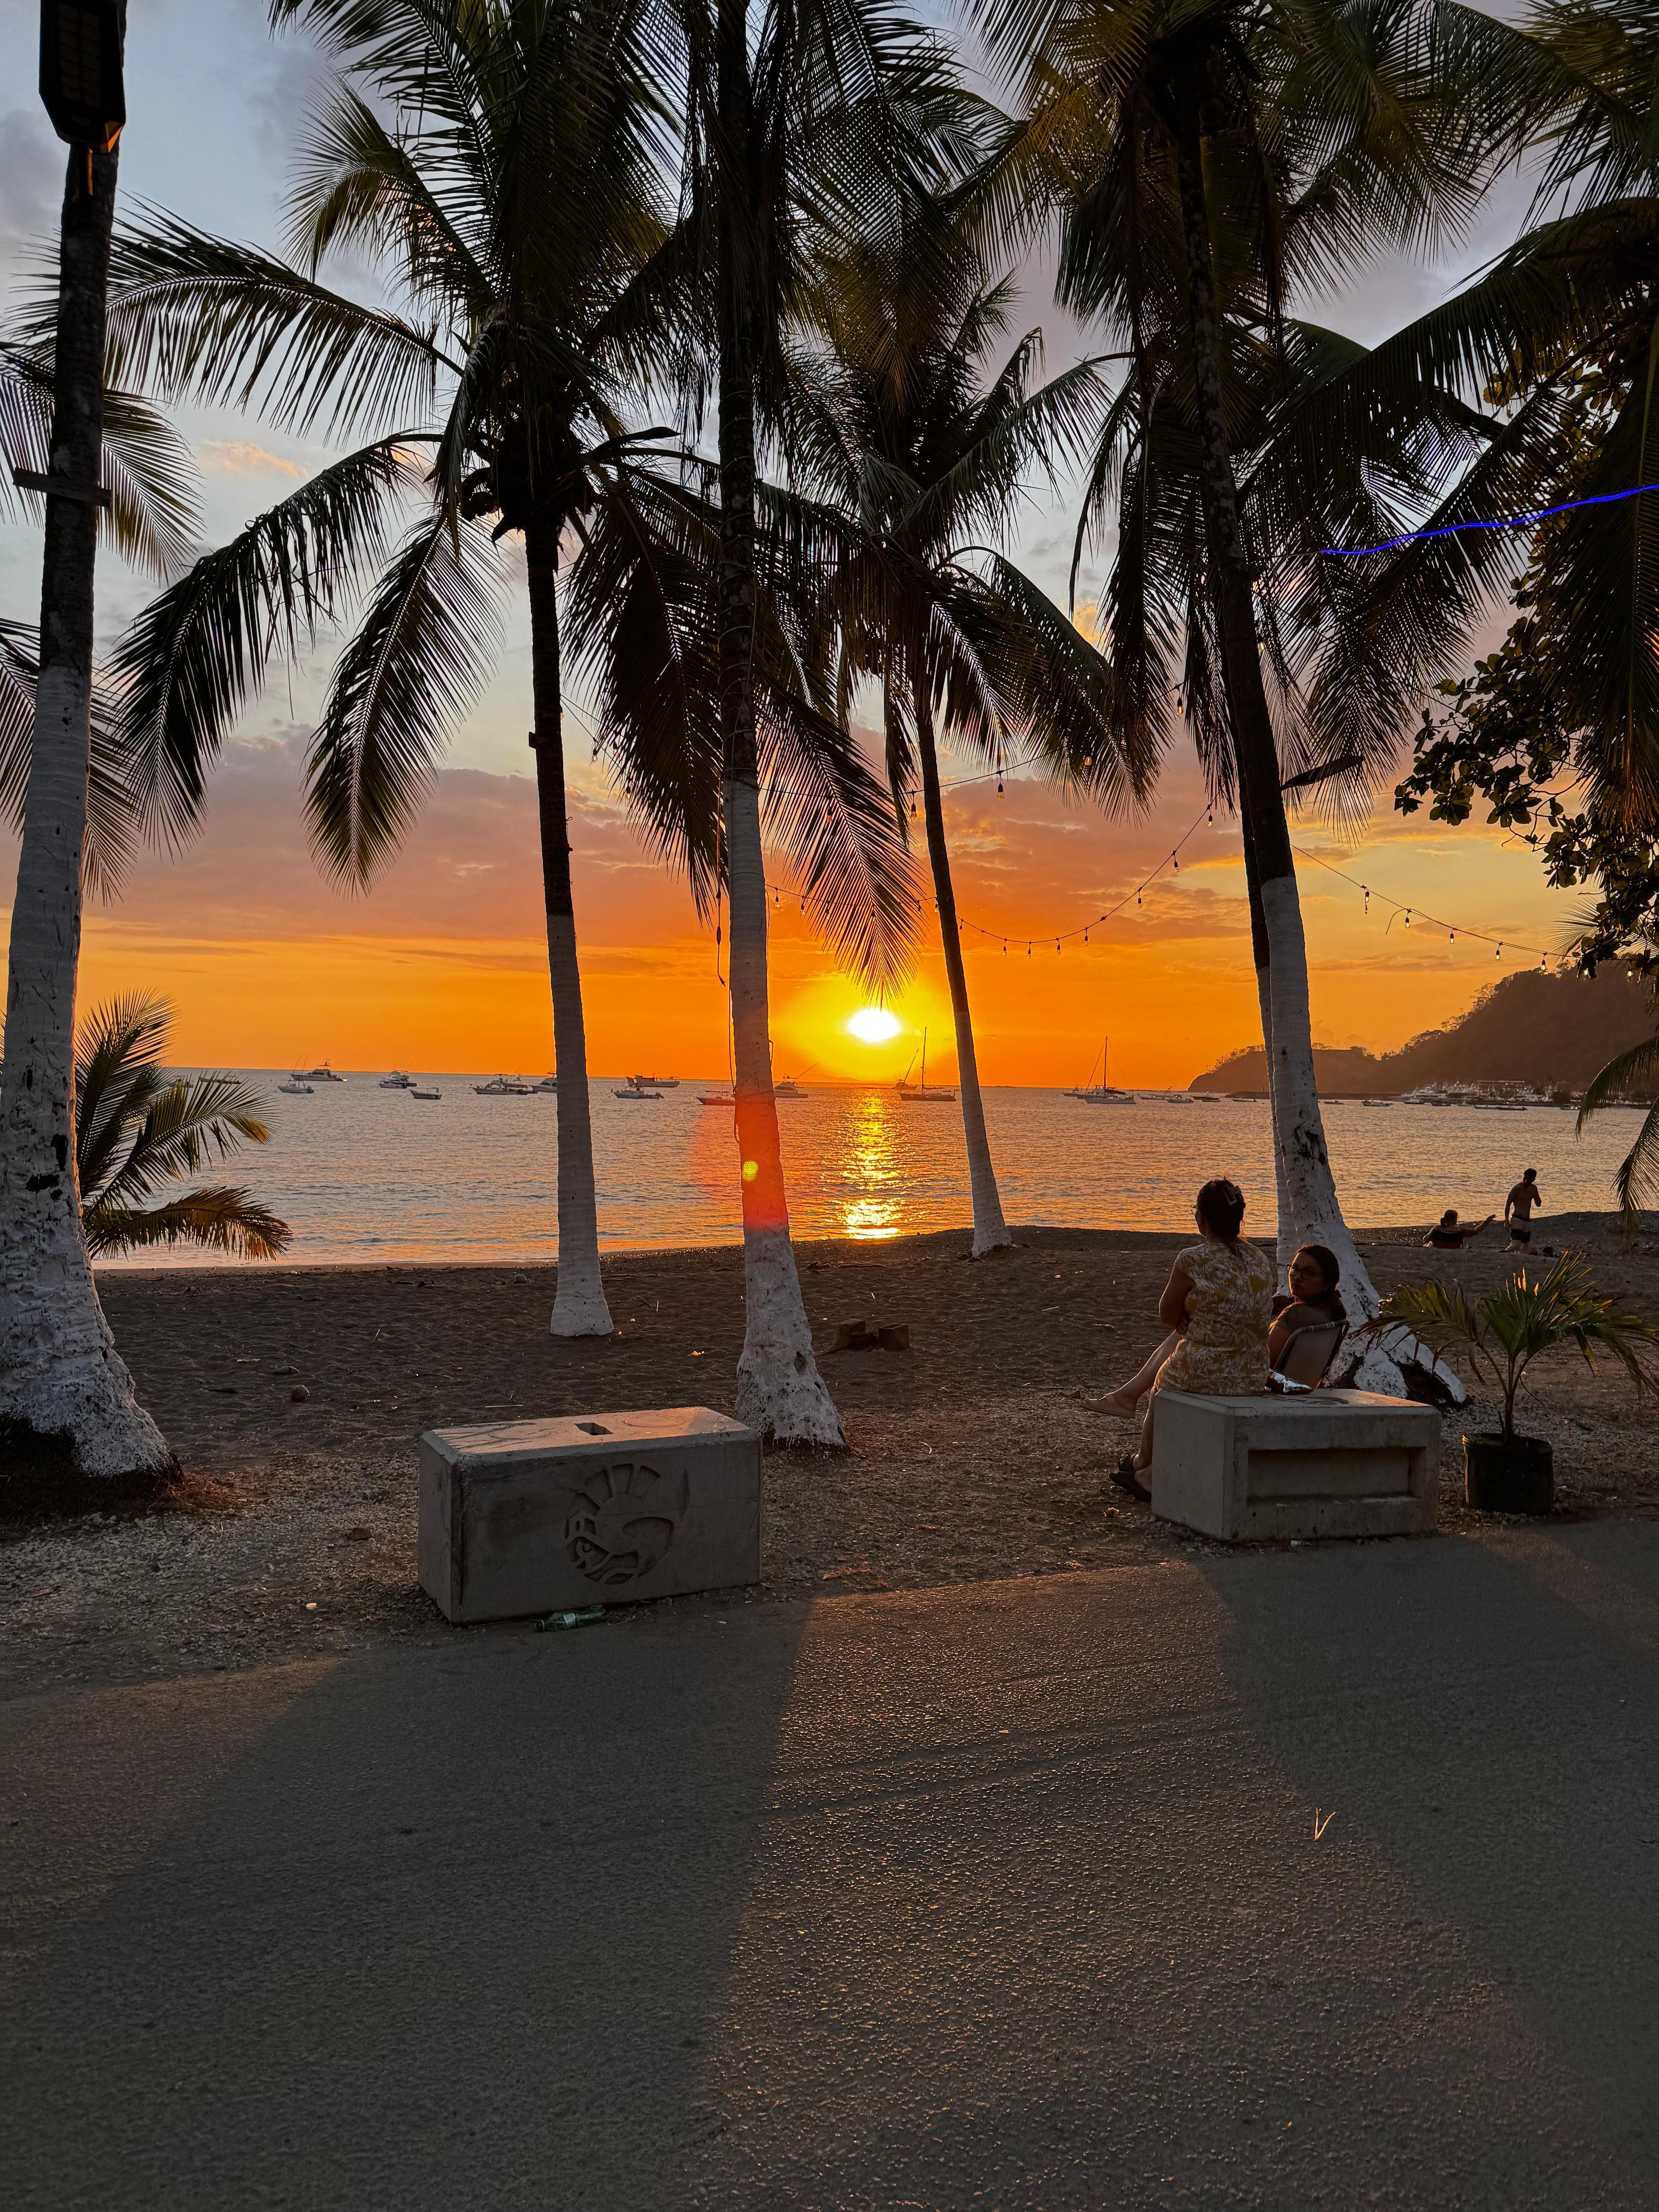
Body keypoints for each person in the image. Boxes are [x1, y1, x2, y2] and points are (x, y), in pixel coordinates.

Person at [1083, 1177, 1275, 1499]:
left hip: (1208, 1371)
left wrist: (1188, 1320)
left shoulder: (1192, 1259)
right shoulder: (1259, 1259)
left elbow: (1166, 1314)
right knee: (1183, 1350)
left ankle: (1147, 1468)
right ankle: (1142, 1459)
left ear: (1201, 1218)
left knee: (1164, 1380)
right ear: (1239, 1219)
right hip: (1253, 1372)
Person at [1268, 1244, 1347, 1379]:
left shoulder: (1297, 1314)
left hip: (1271, 1391)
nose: (1297, 1277)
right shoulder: (1331, 1312)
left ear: (1326, 1284)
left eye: (1309, 1273)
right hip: (1301, 1389)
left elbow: (1262, 1361)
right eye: (1295, 1269)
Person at [1505, 1168, 1542, 1252]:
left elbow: (1538, 1204)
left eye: (1529, 1180)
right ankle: (1503, 1254)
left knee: (1525, 1247)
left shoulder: (1533, 1189)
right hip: (1517, 1218)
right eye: (1525, 1178)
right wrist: (1506, 1221)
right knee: (1516, 1244)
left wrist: (1535, 1193)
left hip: (1527, 1220)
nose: (1526, 1181)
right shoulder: (1517, 1189)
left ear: (1533, 1180)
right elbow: (1508, 1205)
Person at [1424, 1208, 1494, 1250]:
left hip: (1439, 1249)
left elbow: (1426, 1238)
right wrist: (1486, 1222)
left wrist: (1430, 1241)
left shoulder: (1437, 1228)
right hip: (1454, 1249)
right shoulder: (1460, 1230)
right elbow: (1476, 1231)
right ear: (1455, 1220)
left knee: (1429, 1243)